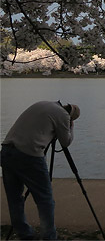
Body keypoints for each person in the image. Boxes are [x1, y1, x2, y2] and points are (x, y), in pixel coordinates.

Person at [1, 100, 80, 240]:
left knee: (15, 199)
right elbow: (65, 141)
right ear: (71, 117)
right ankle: (49, 237)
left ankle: (25, 235)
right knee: (45, 200)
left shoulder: (45, 104)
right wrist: (71, 127)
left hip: (7, 150)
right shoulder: (63, 115)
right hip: (29, 155)